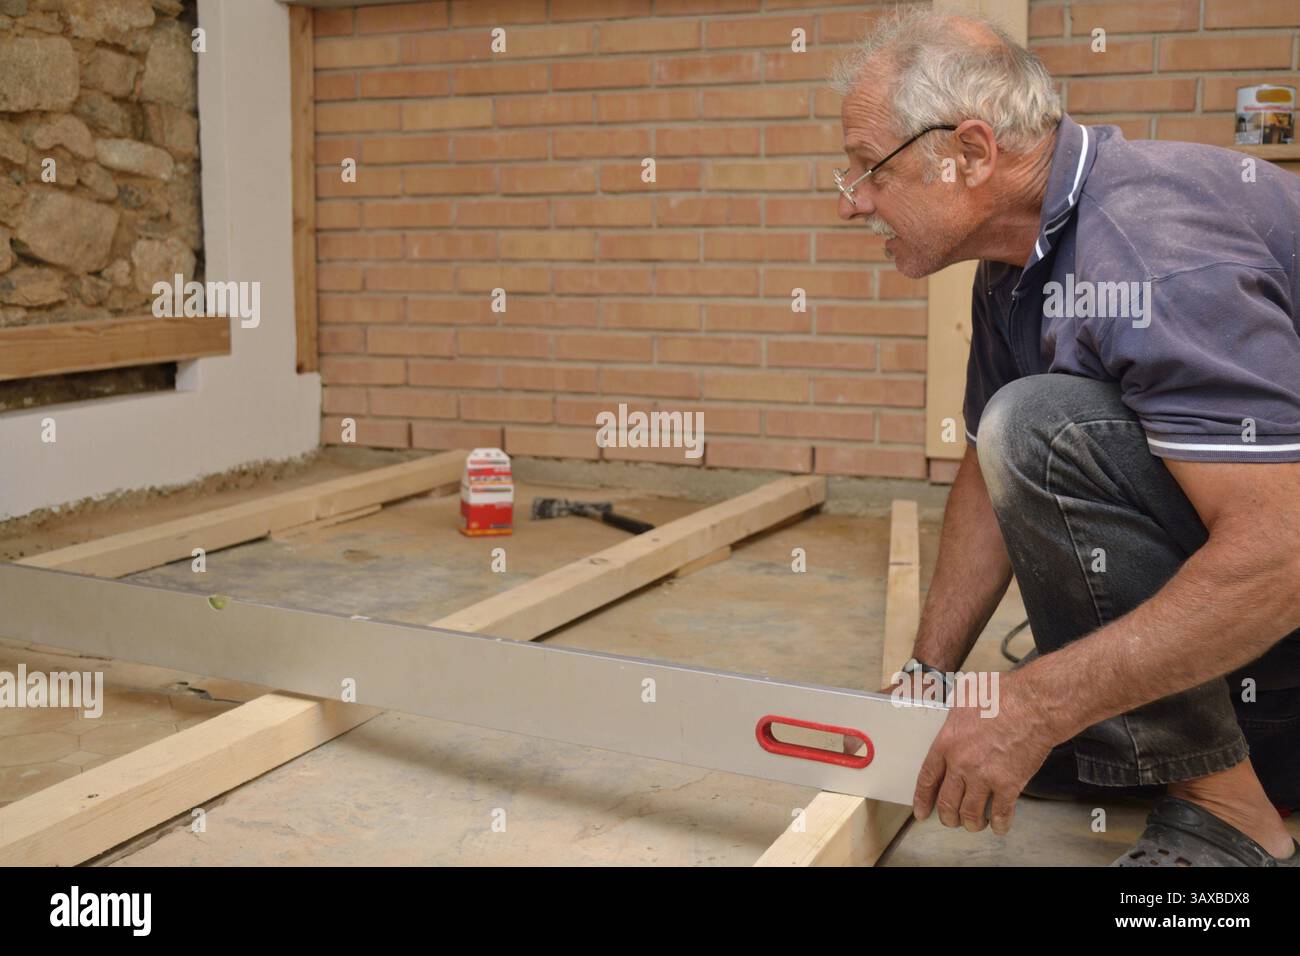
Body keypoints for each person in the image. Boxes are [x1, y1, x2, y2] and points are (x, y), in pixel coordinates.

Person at [832, 8, 1300, 866]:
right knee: (1019, 427)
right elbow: (986, 466)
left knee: (1041, 427)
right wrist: (929, 682)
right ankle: (1140, 742)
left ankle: (1234, 816)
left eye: (870, 169)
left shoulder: (1150, 251)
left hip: (1279, 624)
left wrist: (1036, 709)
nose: (852, 202)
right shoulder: (1019, 259)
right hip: (1255, 640)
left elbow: (1283, 555)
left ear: (969, 153)